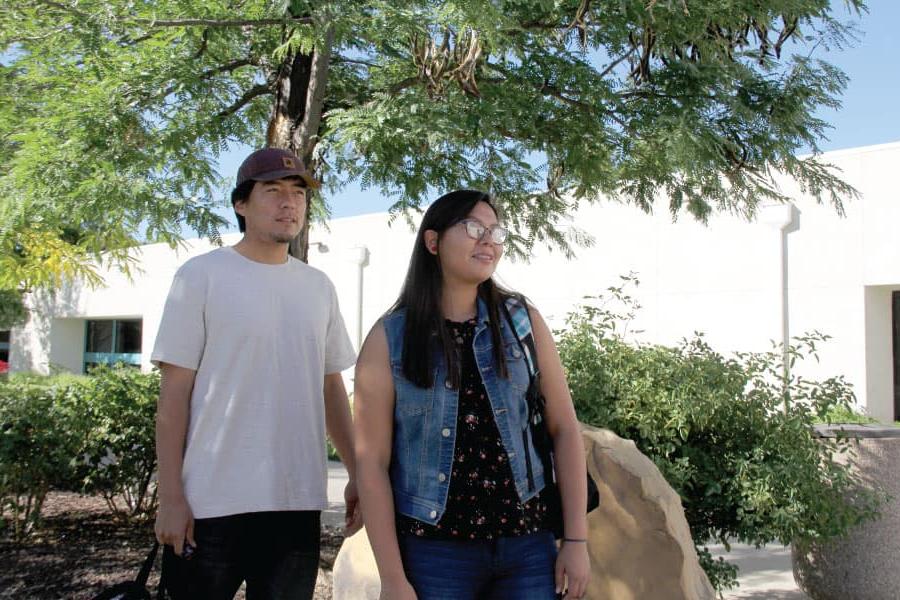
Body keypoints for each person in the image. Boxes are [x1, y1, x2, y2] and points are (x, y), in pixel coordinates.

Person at [354, 190, 590, 600]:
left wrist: (576, 541)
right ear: (433, 242)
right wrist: (393, 578)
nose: (489, 240)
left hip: (527, 548)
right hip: (434, 553)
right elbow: (370, 463)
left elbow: (565, 430)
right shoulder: (389, 339)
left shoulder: (522, 321)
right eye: (473, 228)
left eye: (495, 231)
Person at [152, 147, 360, 600]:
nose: (289, 203)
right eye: (273, 191)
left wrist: (357, 472)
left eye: (298, 193)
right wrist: (170, 498)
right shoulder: (200, 276)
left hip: (296, 503)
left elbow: (331, 390)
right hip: (209, 507)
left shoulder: (318, 287)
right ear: (240, 203)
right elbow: (173, 399)